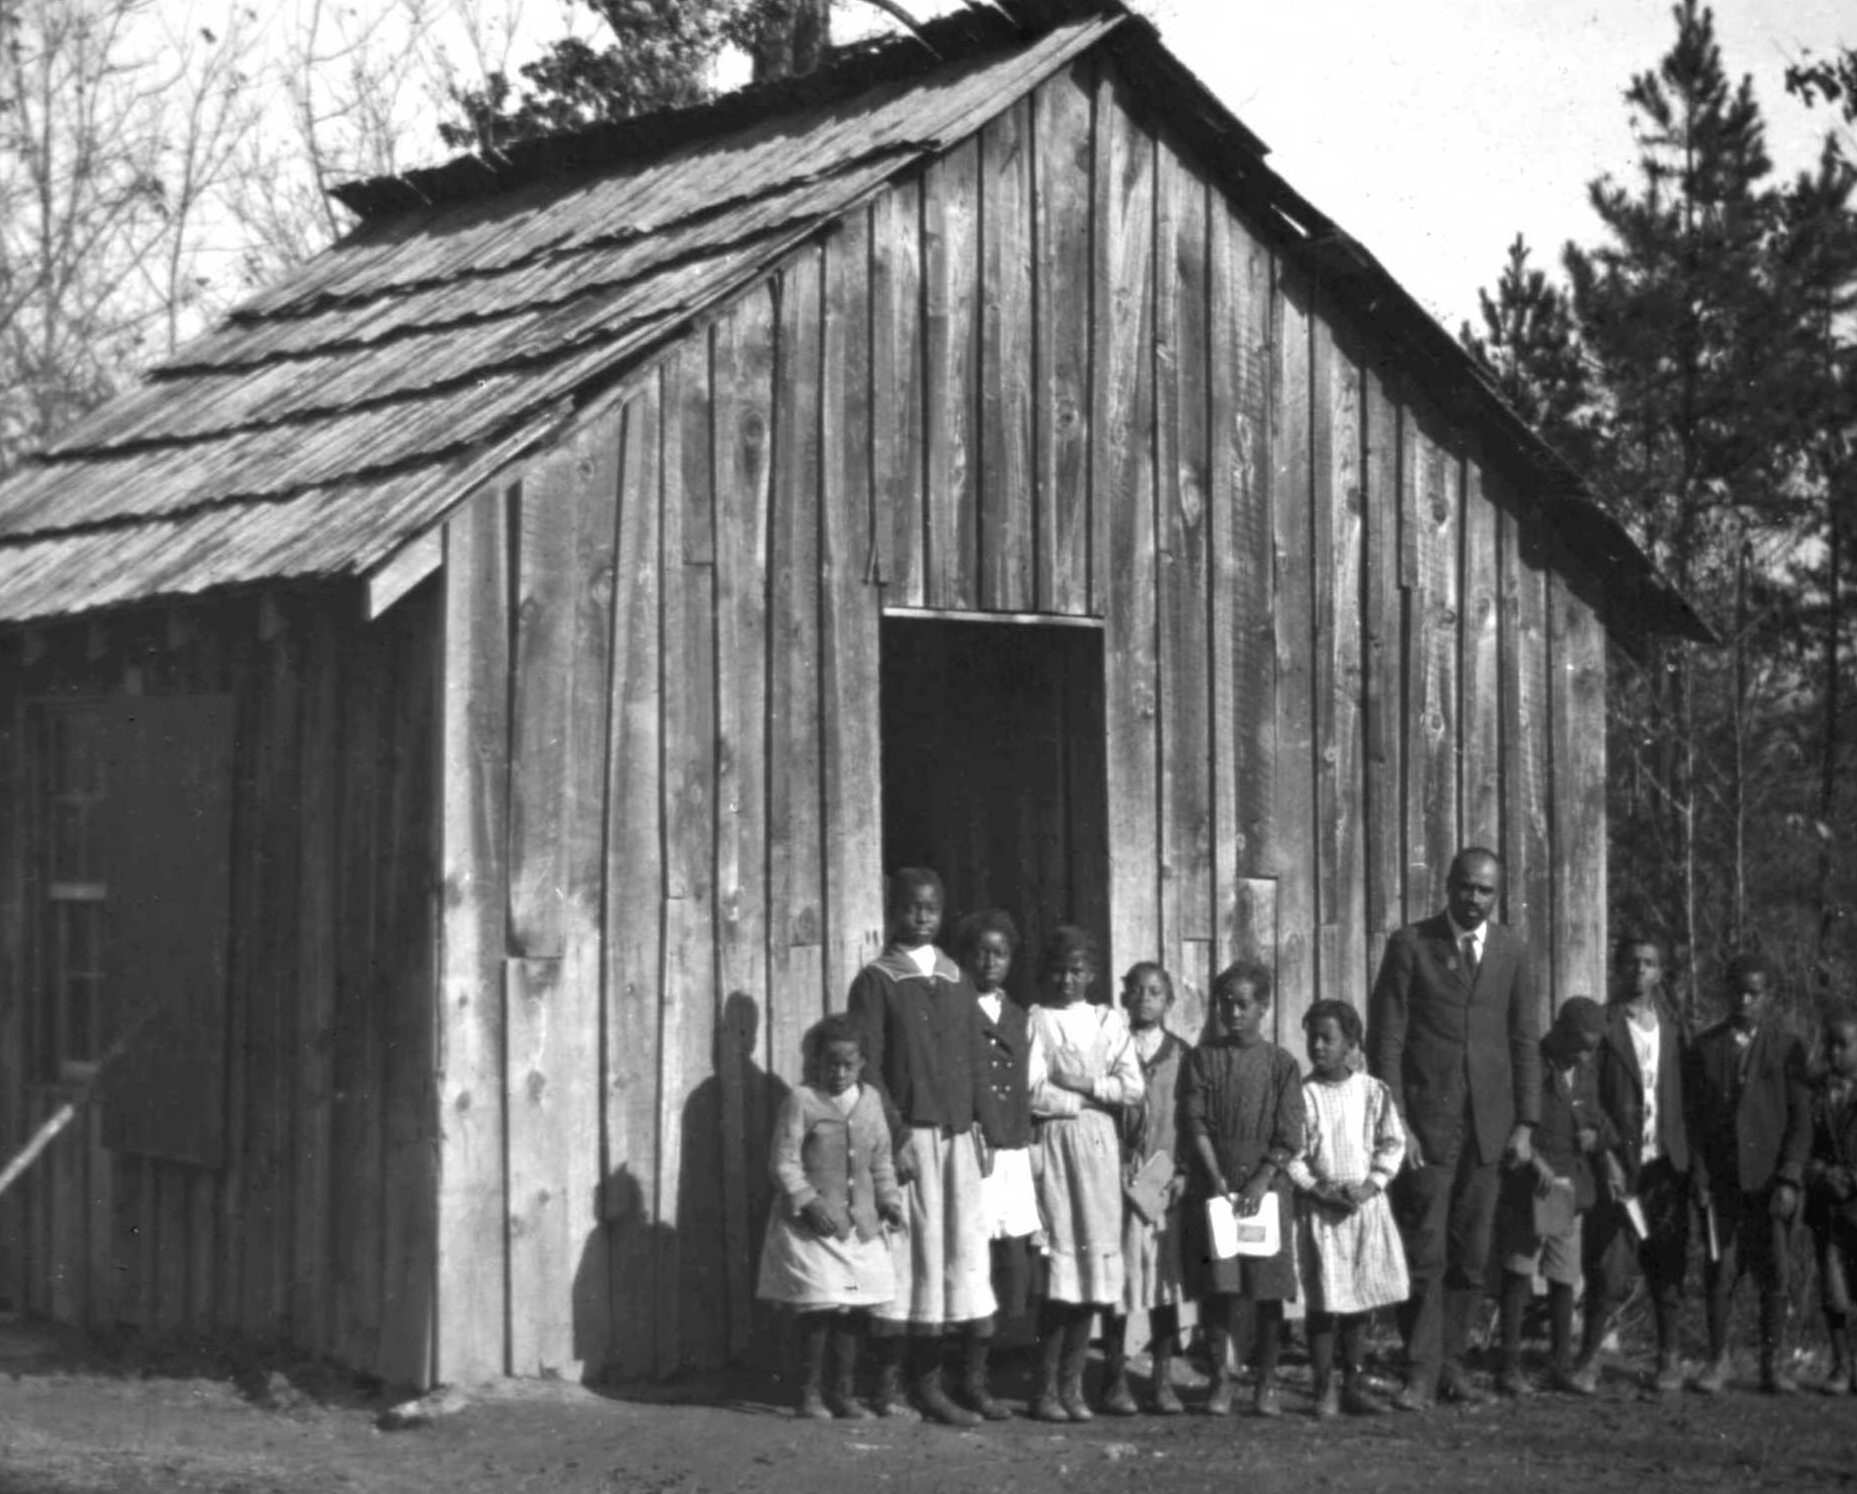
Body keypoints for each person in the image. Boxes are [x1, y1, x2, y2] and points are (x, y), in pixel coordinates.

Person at [1367, 846, 1539, 1409]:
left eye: (1485, 890)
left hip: (1489, 1127)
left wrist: (1525, 1123)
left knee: (1471, 1252)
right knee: (1424, 1248)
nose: (1474, 898)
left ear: (1498, 893)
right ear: (1447, 885)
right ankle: (1417, 1370)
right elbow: (1386, 1039)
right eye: (1465, 886)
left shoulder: (1512, 949)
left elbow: (1522, 1041)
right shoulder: (1411, 944)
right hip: (1427, 1124)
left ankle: (1453, 1365)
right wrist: (1399, 1124)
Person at [847, 867, 1001, 1426]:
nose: (922, 917)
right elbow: (869, 1068)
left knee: (961, 1253)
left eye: (931, 908)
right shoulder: (877, 979)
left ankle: (957, 1380)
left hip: (958, 1136)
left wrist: (981, 1125)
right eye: (912, 907)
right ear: (893, 909)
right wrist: (896, 1134)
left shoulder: (957, 977)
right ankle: (901, 1387)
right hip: (911, 1138)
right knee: (913, 1257)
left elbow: (974, 1058)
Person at [756, 1014, 905, 1419]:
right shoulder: (802, 1101)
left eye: (848, 1065)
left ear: (861, 1065)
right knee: (820, 1309)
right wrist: (808, 1201)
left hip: (859, 1224)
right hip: (814, 1227)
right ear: (816, 1063)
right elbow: (784, 1162)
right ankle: (810, 1394)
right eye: (830, 1063)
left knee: (854, 1307)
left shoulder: (871, 1101)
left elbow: (882, 1161)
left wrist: (889, 1201)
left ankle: (844, 1393)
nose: (838, 1073)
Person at [1025, 926, 1145, 1422]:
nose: (1067, 979)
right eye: (1058, 970)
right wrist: (1087, 1096)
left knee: (1094, 1271)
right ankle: (1044, 1388)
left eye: (1077, 970)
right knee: (1061, 1269)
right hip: (1056, 1146)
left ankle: (1074, 1387)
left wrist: (1082, 1082)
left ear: (1092, 974)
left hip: (1099, 1149)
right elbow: (1033, 1091)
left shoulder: (1108, 1021)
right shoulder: (1037, 1019)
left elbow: (1132, 1086)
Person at [1182, 959, 1306, 1417]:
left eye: (1243, 1004)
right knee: (1221, 1287)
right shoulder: (1203, 1058)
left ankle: (1266, 1383)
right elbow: (1195, 1121)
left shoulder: (1282, 1064)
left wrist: (1261, 1178)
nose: (1232, 1013)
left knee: (1265, 1288)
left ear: (1264, 1007)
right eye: (1225, 1004)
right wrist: (1215, 1178)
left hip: (1267, 1189)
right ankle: (1219, 1380)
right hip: (1217, 1186)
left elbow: (1290, 1132)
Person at [1687, 951, 1811, 1394]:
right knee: (1720, 1271)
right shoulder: (1705, 1047)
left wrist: (1790, 1177)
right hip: (1722, 1186)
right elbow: (1695, 1122)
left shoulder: (1787, 1047)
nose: (1744, 1000)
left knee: (1774, 1274)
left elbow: (1801, 1120)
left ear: (1768, 997)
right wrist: (1699, 1176)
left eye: (1753, 993)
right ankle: (1716, 1361)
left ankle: (1771, 1365)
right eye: (1737, 991)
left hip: (1769, 1184)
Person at [1578, 931, 1695, 1394]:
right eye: (1631, 963)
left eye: (1649, 963)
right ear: (1618, 968)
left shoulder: (1671, 1027)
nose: (1639, 971)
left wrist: (1686, 1162)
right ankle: (1588, 1358)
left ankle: (1670, 1358)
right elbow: (1588, 1096)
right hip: (1619, 1164)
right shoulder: (1604, 1026)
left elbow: (1684, 1098)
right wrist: (1605, 1155)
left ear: (1660, 972)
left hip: (1663, 1166)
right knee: (1608, 1266)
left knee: (1666, 1265)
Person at [1284, 998, 1408, 1421]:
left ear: (1351, 1043)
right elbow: (1292, 1155)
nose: (1318, 1046)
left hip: (1362, 1211)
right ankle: (1324, 1390)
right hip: (1321, 1214)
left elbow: (1393, 1143)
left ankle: (1353, 1384)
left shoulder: (1373, 1092)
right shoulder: (1303, 1095)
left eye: (1327, 1038)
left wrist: (1372, 1186)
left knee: (1357, 1302)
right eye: (1312, 1038)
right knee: (1323, 1303)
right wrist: (1318, 1188)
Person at [1493, 996, 1613, 1398]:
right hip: (1530, 1185)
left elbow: (1598, 1115)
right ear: (1559, 1030)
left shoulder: (1584, 1071)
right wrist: (1532, 1163)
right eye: (1579, 1044)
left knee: (1564, 1275)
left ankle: (1560, 1364)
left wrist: (1597, 1136)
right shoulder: (1529, 1065)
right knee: (1519, 1270)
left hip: (1568, 1188)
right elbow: (1508, 1123)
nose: (1584, 1054)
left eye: (1591, 1047)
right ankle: (1508, 1366)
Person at [955, 908, 1036, 1419]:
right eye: (982, 952)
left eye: (1000, 953)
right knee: (974, 1254)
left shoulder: (1020, 1017)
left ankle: (1005, 1361)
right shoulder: (956, 1007)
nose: (991, 962)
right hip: (975, 1146)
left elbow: (1034, 1085)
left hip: (1014, 1149)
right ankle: (968, 1376)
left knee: (1014, 1254)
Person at [1101, 962, 1188, 1416]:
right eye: (1135, 991)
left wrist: (1182, 1172)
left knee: (1163, 1286)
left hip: (1162, 1178)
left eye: (1155, 992)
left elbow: (1192, 1122)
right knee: (1119, 1283)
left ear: (1169, 1002)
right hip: (1116, 1177)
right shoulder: (1112, 1049)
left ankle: (1162, 1381)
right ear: (1123, 998)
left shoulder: (1182, 1055)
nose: (1144, 999)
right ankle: (1115, 1380)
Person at [1805, 1006, 1857, 1395]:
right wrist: (1823, 1174)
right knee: (1833, 1288)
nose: (1835, 1053)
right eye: (1830, 1045)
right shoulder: (1814, 1091)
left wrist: (1851, 1177)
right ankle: (1840, 1366)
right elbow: (1799, 1142)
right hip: (1827, 1204)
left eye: (1844, 1045)